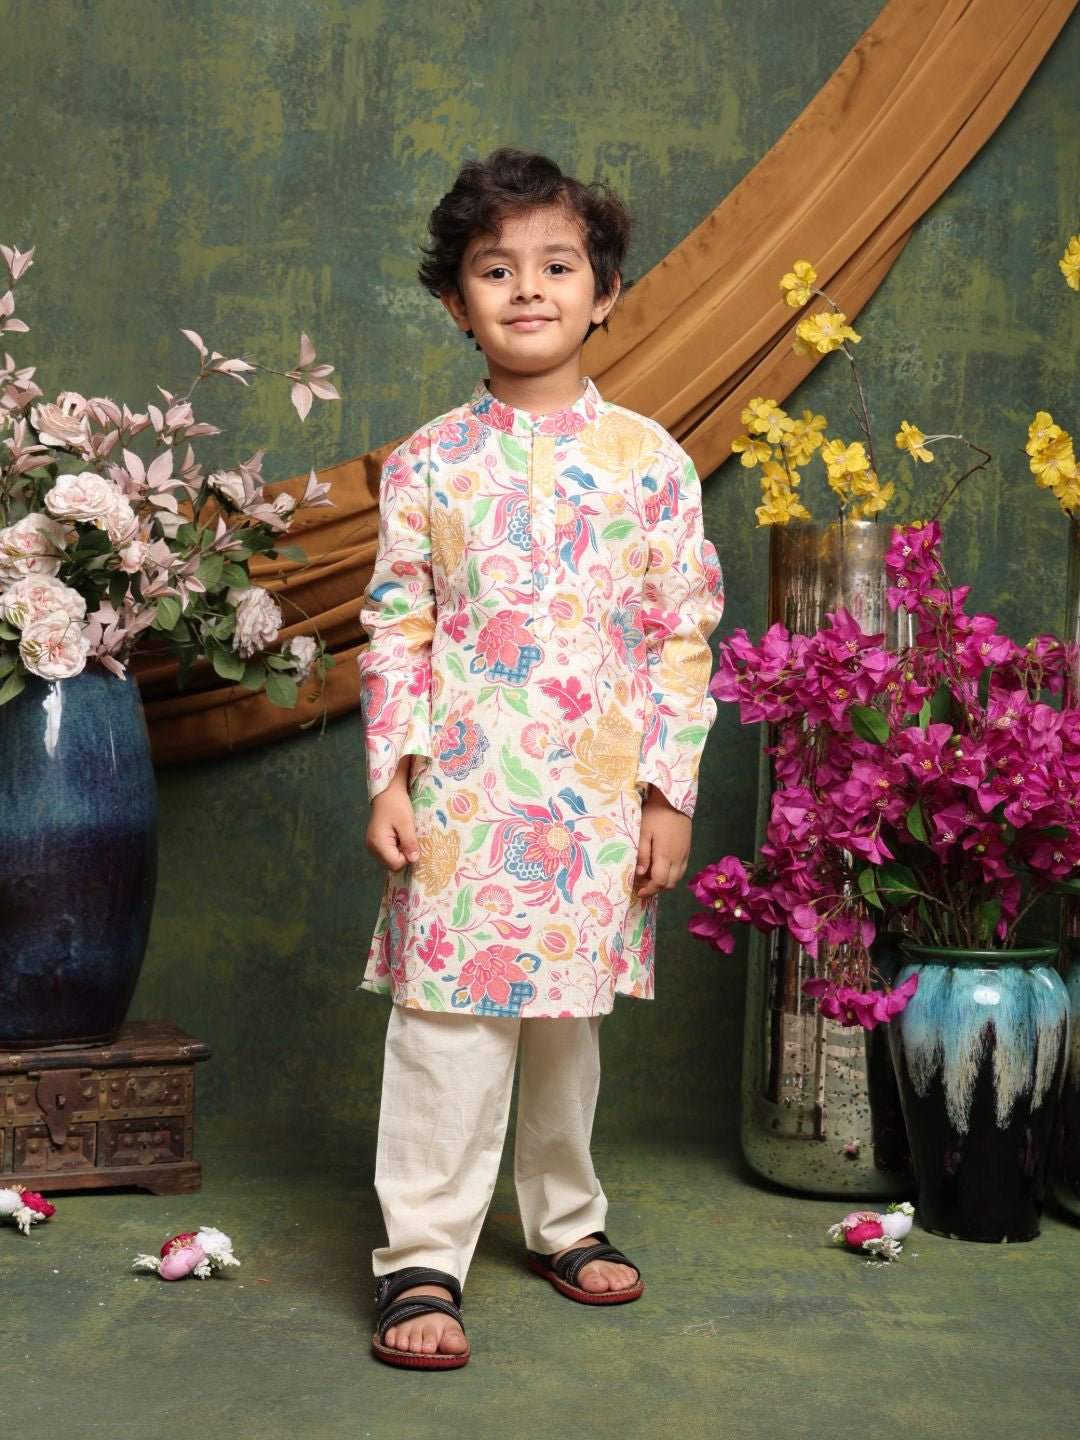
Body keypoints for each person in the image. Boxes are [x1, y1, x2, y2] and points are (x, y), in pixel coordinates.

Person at [358, 148, 724, 1370]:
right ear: (458, 299)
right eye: (494, 268)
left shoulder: (654, 463)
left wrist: (672, 794)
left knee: (568, 1021)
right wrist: (390, 779)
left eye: (556, 265)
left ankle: (564, 1218)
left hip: (597, 796)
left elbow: (684, 637)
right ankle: (421, 1254)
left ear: (604, 289)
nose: (527, 288)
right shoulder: (426, 465)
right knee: (449, 1024)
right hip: (462, 795)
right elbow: (395, 627)